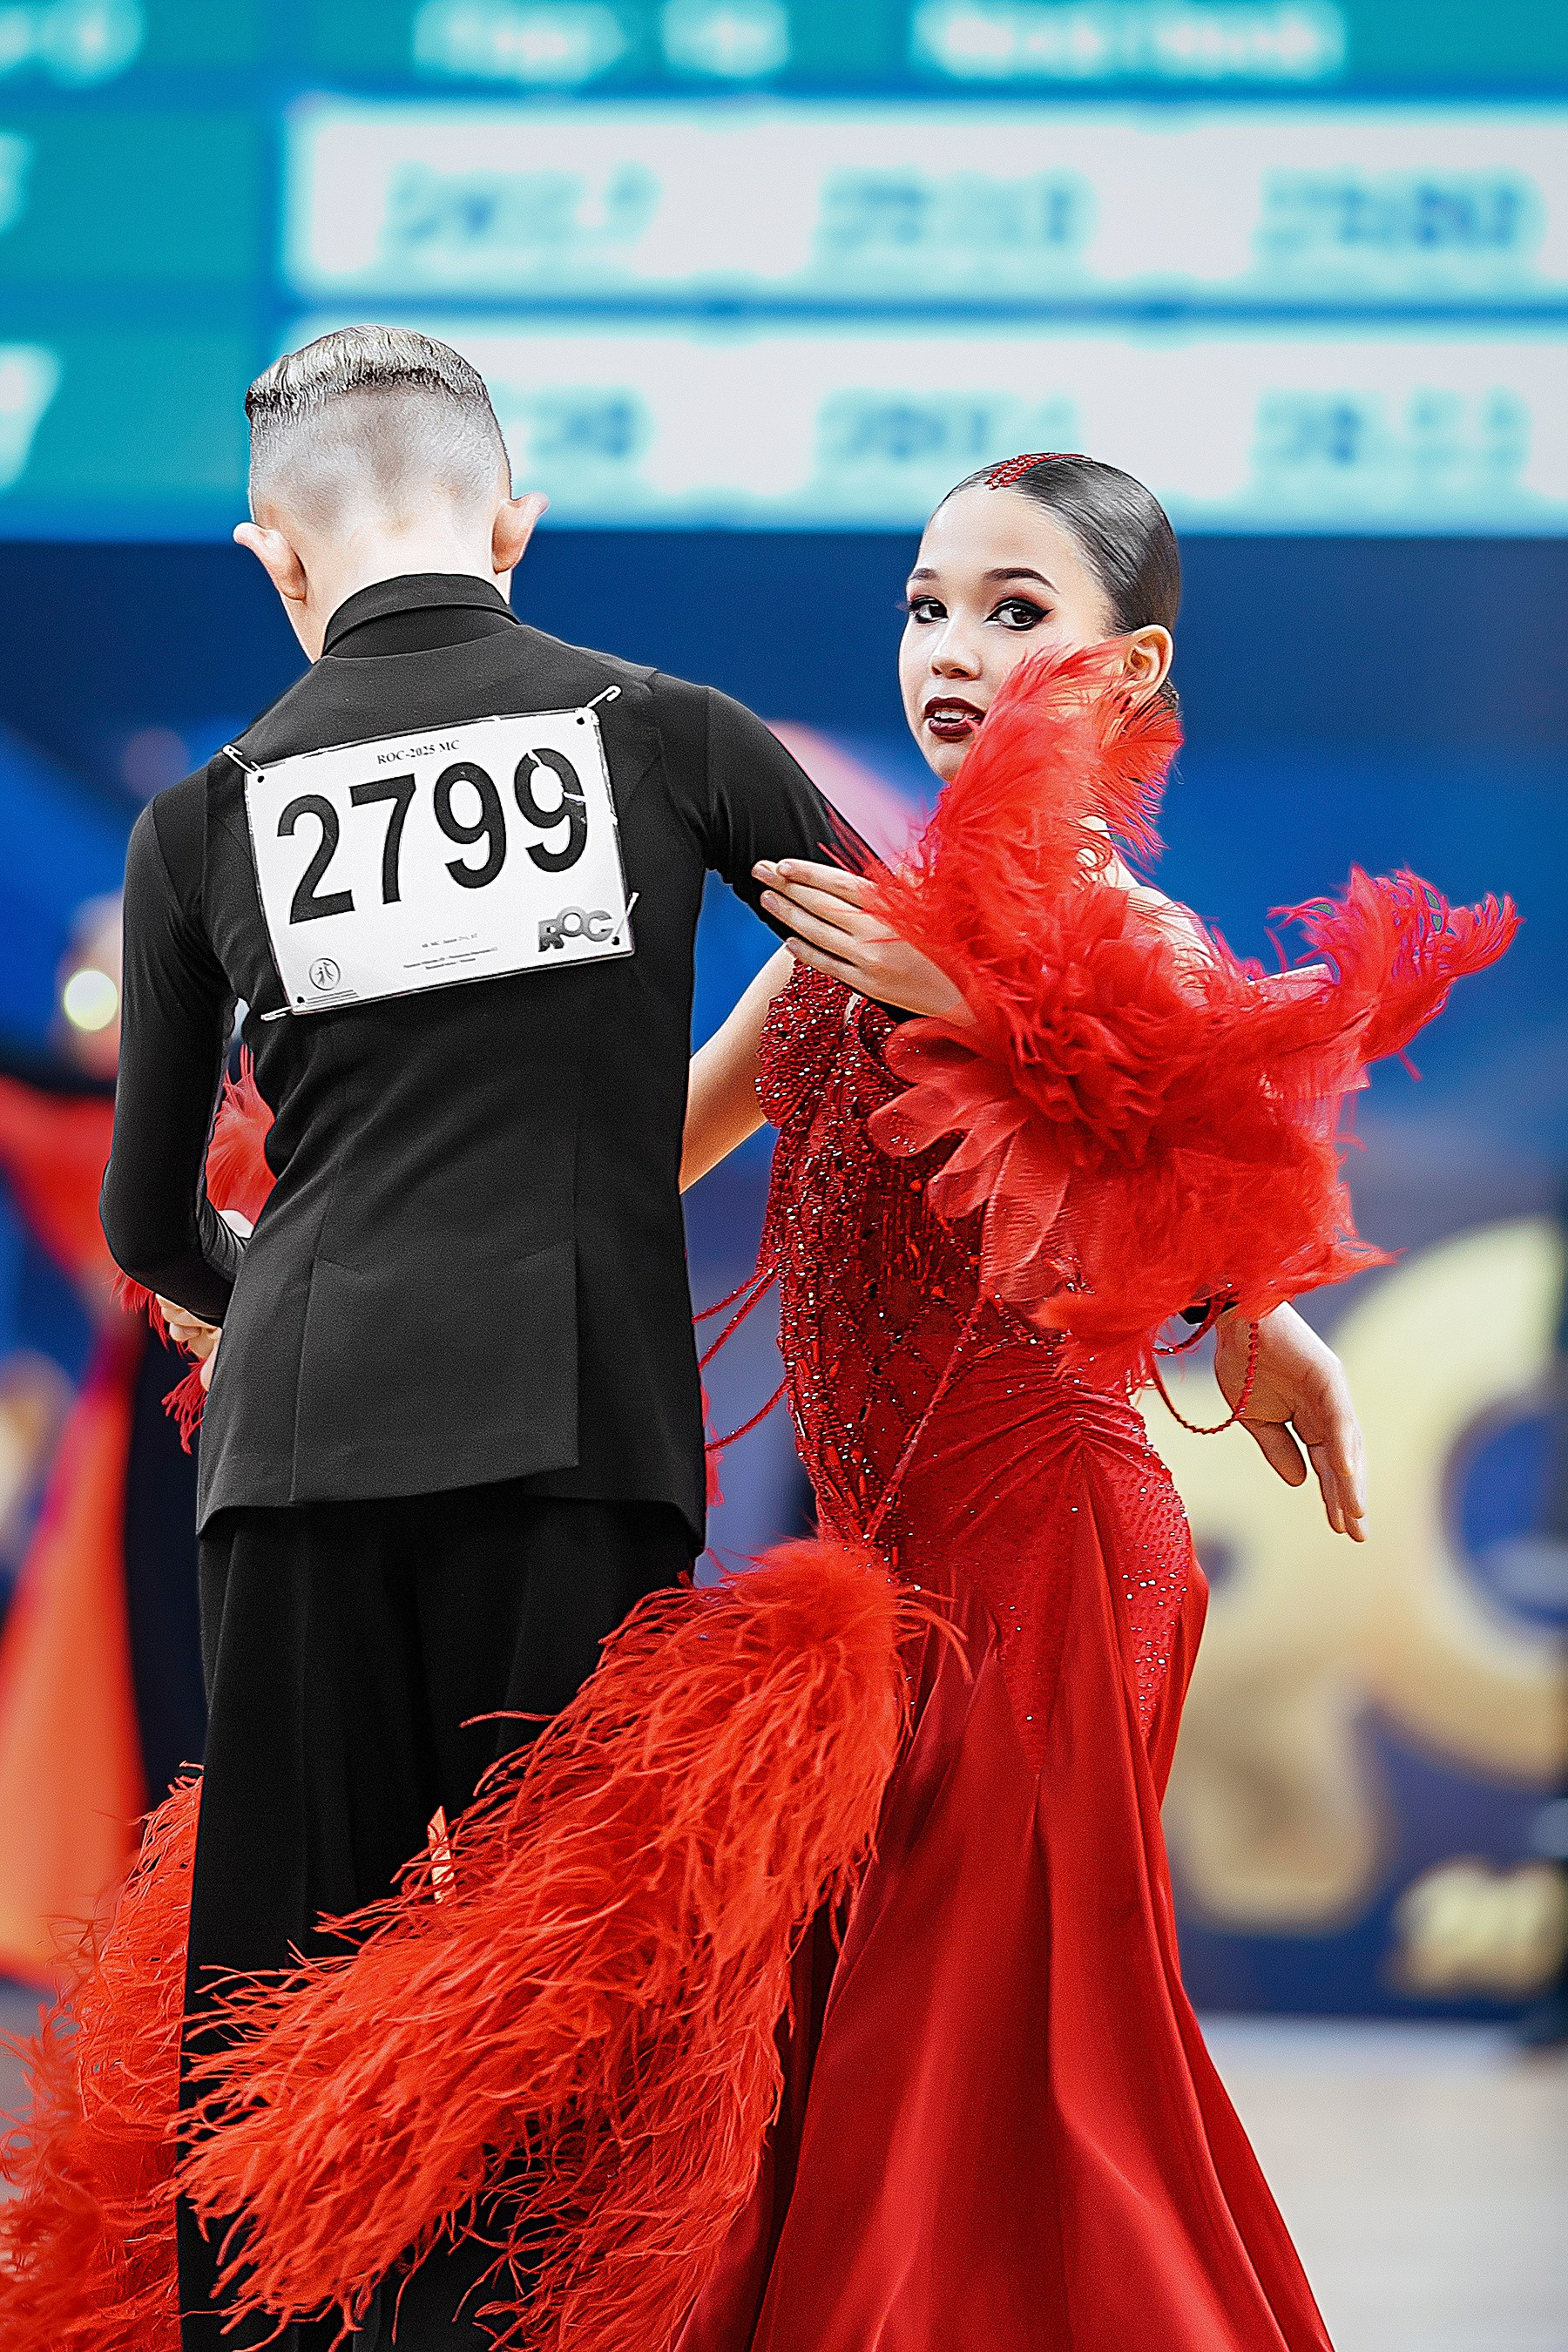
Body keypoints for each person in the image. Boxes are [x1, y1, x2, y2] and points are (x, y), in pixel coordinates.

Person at [131, 452, 1510, 2352]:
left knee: (990, 2043)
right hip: (857, 1601)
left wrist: (1032, 1063)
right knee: (833, 2043)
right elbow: (619, 1159)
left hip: (1044, 1578)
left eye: (1014, 611)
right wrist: (296, 1245)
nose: (952, 649)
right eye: (926, 606)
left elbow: (1159, 1210)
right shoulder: (842, 929)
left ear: (1129, 666)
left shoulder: (1134, 941)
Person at [0, 321, 916, 2352]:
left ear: (273, 555)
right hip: (578, 1440)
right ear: (515, 523)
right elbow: (906, 976)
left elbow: (150, 1222)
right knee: (556, 1977)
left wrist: (273, 1306)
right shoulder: (669, 735)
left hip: (296, 1448)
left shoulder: (204, 819)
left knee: (270, 1990)